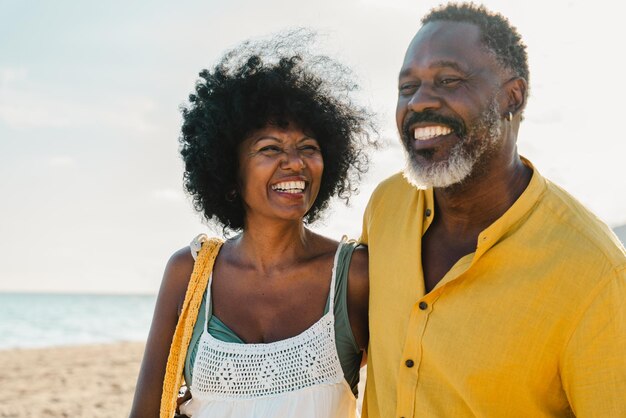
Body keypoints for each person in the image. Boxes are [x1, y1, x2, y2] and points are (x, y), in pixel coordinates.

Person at [360, 3, 626, 417]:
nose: (419, 102)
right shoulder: (386, 205)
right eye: (407, 87)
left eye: (448, 80)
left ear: (512, 96)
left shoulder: (595, 272)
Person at [129, 33, 373, 418]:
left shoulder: (354, 275)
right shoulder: (190, 274)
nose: (294, 162)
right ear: (229, 169)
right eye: (270, 148)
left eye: (308, 147)